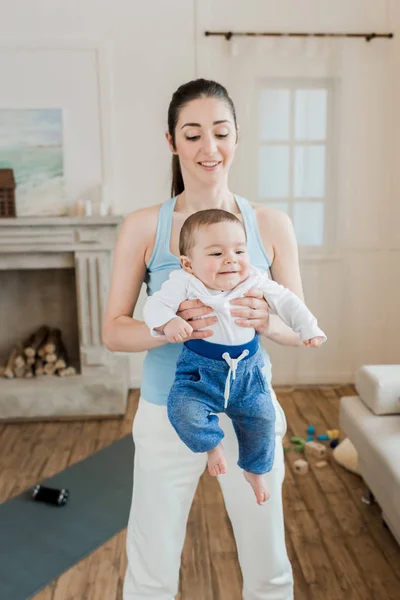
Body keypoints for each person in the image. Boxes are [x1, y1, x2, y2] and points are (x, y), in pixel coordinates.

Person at [102, 78, 309, 600]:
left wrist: (266, 321)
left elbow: (294, 324)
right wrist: (169, 327)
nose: (208, 148)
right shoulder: (144, 226)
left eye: (220, 132)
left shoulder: (272, 225)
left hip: (248, 407)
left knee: (269, 563)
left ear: (237, 137)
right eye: (192, 135)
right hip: (165, 411)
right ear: (171, 142)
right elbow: (113, 331)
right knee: (151, 567)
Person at [143, 208, 326, 505]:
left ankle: (255, 470)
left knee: (263, 418)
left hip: (248, 374)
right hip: (199, 375)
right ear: (188, 263)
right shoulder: (184, 282)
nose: (231, 259)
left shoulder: (253, 278)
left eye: (239, 250)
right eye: (216, 253)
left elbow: (288, 301)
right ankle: (211, 444)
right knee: (181, 410)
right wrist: (168, 322)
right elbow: (154, 306)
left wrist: (308, 327)